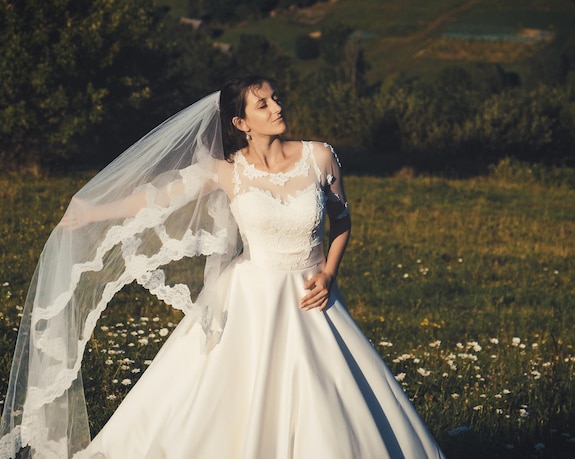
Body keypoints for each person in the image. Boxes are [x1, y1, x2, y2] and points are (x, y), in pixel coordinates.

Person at [0, 75, 445, 458]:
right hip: (251, 299)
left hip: (314, 296)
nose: (277, 107)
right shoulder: (226, 171)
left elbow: (342, 222)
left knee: (329, 394)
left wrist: (329, 273)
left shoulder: (319, 156)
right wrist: (91, 212)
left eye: (276, 98)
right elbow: (158, 197)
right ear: (240, 123)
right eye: (263, 104)